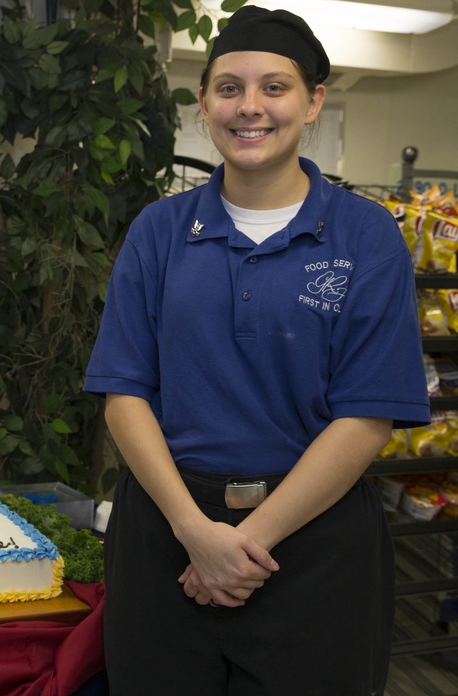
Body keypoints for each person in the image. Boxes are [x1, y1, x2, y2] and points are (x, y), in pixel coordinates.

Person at [83, 6, 430, 695]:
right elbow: (124, 393)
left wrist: (246, 545)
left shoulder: (364, 236)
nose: (251, 107)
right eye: (229, 88)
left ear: (312, 103)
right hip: (166, 535)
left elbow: (366, 416)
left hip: (315, 545)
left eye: (275, 87)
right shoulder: (159, 231)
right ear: (206, 102)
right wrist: (196, 533)